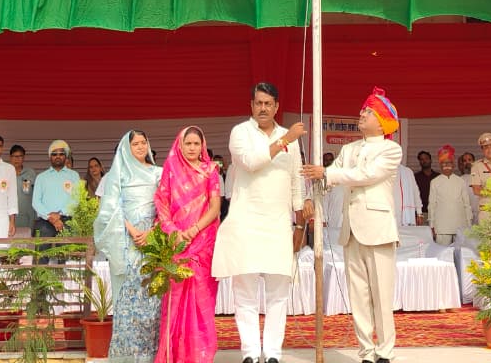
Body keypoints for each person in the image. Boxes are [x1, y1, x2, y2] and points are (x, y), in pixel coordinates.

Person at [302, 87, 403, 363]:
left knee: (381, 295)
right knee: (358, 295)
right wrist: (312, 193)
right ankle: (366, 352)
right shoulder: (348, 149)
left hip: (378, 228)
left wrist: (328, 173)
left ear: (381, 121)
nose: (362, 114)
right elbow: (330, 178)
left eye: (368, 111)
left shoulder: (391, 149)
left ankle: (385, 351)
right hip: (351, 230)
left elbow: (367, 174)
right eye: (363, 109)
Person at [211, 82, 310, 363]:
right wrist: (284, 140)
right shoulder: (241, 132)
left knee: (279, 293)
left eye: (268, 103)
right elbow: (250, 162)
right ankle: (251, 353)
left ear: (276, 107)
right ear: (251, 105)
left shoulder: (290, 139)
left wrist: (299, 225)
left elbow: (296, 183)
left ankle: (273, 353)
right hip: (245, 222)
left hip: (278, 224)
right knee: (245, 293)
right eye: (258, 103)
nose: (263, 108)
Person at [154, 126, 221, 363]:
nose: (192, 148)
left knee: (201, 299)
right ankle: (173, 355)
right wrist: (174, 232)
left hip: (202, 243)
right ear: (179, 145)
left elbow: (215, 207)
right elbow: (162, 202)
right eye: (188, 143)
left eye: (196, 144)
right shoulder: (171, 169)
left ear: (202, 146)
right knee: (175, 299)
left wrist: (193, 230)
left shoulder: (210, 170)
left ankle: (199, 355)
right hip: (176, 243)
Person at [95, 129, 162, 363]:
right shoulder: (118, 175)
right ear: (127, 147)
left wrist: (151, 231)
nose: (141, 147)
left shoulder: (158, 173)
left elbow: (166, 206)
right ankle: (127, 357)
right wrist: (133, 231)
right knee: (128, 302)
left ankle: (150, 356)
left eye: (144, 142)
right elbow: (110, 210)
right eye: (136, 144)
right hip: (126, 244)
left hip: (153, 243)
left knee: (151, 302)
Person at [32, 140, 81, 237]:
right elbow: (36, 202)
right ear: (50, 156)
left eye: (61, 154)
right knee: (41, 245)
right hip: (45, 220)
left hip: (67, 220)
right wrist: (50, 217)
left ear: (66, 156)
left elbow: (76, 199)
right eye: (54, 154)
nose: (58, 156)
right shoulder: (41, 177)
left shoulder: (74, 175)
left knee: (69, 247)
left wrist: (60, 214)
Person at [428, 146, 472, 243]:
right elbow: (432, 205)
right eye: (444, 163)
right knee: (442, 251)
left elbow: (467, 204)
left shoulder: (460, 181)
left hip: (460, 225)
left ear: (454, 164)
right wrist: (432, 225)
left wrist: (469, 224)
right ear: (440, 165)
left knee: (461, 251)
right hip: (442, 227)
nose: (447, 165)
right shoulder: (435, 182)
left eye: (449, 162)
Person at [414, 151, 436, 215]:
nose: (424, 161)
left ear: (431, 160)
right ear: (419, 162)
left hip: (436, 212)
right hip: (421, 212)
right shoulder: (415, 177)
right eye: (422, 159)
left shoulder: (438, 177)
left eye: (426, 158)